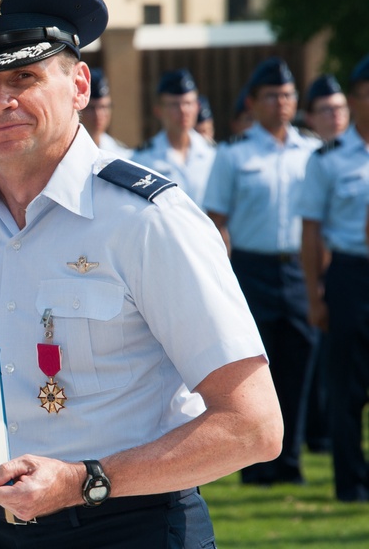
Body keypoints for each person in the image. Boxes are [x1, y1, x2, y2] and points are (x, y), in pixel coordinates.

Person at [0, 0, 282, 548]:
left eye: (24, 76)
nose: (1, 102)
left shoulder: (147, 219)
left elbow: (253, 427)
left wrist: (82, 482)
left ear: (81, 86)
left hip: (132, 527)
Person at [202, 56, 320, 486]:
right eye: (272, 96)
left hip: (296, 270)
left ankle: (290, 461)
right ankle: (256, 467)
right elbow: (216, 220)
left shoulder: (311, 151)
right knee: (253, 372)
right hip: (249, 270)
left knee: (299, 366)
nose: (281, 102)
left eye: (288, 95)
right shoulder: (233, 154)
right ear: (252, 102)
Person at [298, 54, 369, 502]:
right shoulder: (328, 160)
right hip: (350, 275)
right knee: (347, 388)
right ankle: (352, 482)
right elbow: (311, 229)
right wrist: (315, 296)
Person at [132, 69, 215, 207]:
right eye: (174, 105)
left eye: (188, 103)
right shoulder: (142, 159)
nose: (183, 111)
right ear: (158, 110)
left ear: (197, 107)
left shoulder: (213, 153)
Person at [82, 67, 131, 158]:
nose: (98, 115)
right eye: (91, 108)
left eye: (103, 107)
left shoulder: (122, 153)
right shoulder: (67, 152)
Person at [305, 73, 350, 142]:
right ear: (309, 118)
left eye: (340, 107)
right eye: (327, 110)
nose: (336, 114)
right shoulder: (302, 150)